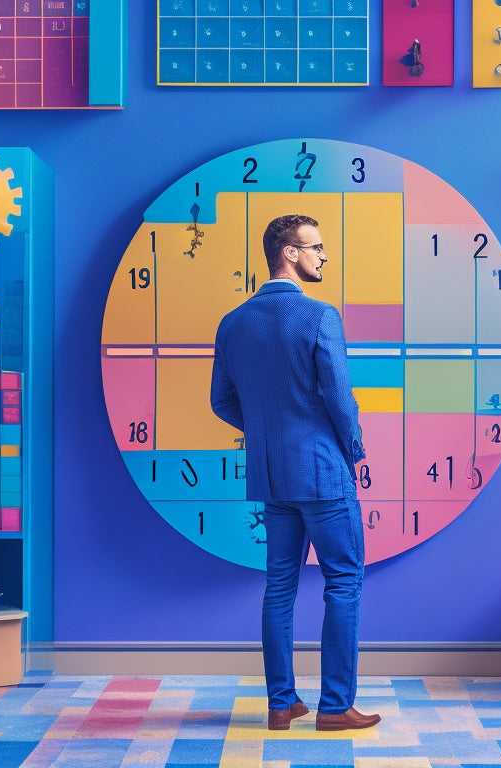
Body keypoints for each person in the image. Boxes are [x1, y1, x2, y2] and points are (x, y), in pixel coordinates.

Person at [210, 214, 380, 732]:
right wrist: (353, 448)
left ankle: (280, 704)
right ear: (289, 252)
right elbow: (339, 398)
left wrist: (265, 431)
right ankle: (334, 706)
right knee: (343, 581)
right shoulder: (319, 316)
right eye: (317, 247)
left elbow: (221, 401)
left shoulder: (233, 321)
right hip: (322, 472)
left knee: (279, 586)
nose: (324, 255)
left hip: (271, 474)